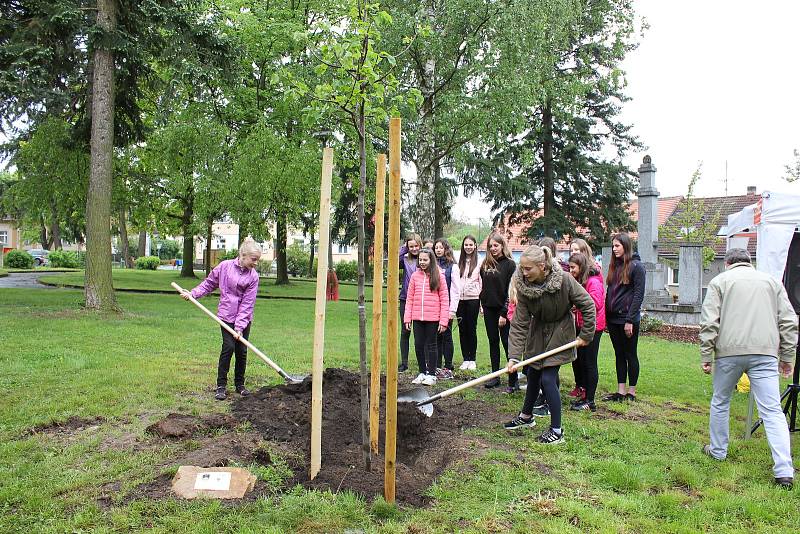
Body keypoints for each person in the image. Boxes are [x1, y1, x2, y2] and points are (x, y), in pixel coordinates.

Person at [699, 248, 797, 489]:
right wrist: (788, 355)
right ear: (749, 262)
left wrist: (706, 353)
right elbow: (788, 320)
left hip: (728, 352)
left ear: (727, 263)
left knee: (720, 401)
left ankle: (718, 450)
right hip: (765, 352)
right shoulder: (772, 282)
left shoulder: (719, 281)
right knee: (772, 411)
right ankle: (784, 469)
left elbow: (710, 320)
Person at [503, 245, 596, 444]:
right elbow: (519, 324)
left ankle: (557, 430)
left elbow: (587, 304)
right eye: (522, 268)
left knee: (547, 378)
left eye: (528, 269)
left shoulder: (565, 280)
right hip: (538, 334)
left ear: (542, 266)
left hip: (560, 333)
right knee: (533, 373)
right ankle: (526, 417)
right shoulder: (525, 288)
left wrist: (586, 335)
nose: (524, 272)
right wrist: (513, 357)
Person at [180, 239, 263, 400]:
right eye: (254, 259)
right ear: (243, 255)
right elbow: (209, 284)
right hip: (226, 316)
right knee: (228, 347)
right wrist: (193, 294)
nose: (256, 263)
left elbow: (247, 304)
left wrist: (239, 327)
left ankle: (240, 385)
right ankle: (221, 386)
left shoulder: (253, 277)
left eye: (257, 259)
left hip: (244, 319)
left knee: (241, 350)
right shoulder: (225, 267)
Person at [603, 233, 645, 402]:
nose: (614, 249)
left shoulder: (636, 266)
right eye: (613, 246)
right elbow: (610, 292)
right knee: (619, 354)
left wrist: (630, 320)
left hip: (628, 319)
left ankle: (631, 392)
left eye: (617, 246)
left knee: (630, 354)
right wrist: (606, 316)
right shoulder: (615, 266)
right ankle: (620, 391)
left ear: (626, 246)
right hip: (613, 319)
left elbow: (638, 295)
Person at [403, 248, 450, 386]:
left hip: (433, 318)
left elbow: (444, 299)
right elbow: (409, 298)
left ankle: (431, 374)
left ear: (431, 260)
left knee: (432, 345)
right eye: (421, 260)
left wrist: (443, 320)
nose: (422, 262)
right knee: (418, 345)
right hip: (417, 317)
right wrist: (407, 318)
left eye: (425, 260)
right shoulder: (414, 277)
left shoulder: (439, 276)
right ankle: (422, 372)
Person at [568, 252, 606, 412]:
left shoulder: (593, 282)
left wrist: (577, 304)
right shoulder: (581, 281)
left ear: (581, 267)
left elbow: (595, 304)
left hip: (593, 328)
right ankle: (585, 396)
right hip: (582, 326)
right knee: (582, 361)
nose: (571, 271)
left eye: (573, 267)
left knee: (590, 362)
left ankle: (590, 401)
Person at [480, 232, 517, 391]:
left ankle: (513, 380)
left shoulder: (510, 265)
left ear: (502, 246)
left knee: (507, 345)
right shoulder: (486, 264)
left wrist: (503, 313)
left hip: (504, 311)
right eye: (491, 246)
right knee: (493, 342)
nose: (493, 248)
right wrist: (482, 303)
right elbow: (483, 287)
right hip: (488, 308)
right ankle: (494, 376)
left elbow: (511, 291)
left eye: (496, 245)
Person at [452, 235, 483, 371]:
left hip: (473, 299)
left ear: (475, 246)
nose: (468, 247)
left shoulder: (480, 262)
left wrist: (481, 304)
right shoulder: (459, 261)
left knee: (472, 328)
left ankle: (472, 359)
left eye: (471, 245)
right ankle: (465, 358)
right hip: (460, 300)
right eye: (466, 245)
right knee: (462, 329)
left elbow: (482, 283)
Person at [398, 234, 422, 372]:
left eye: (415, 246)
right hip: (405, 298)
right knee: (405, 330)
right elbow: (395, 262)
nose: (413, 249)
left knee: (420, 333)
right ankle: (404, 362)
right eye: (410, 246)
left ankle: (422, 362)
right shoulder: (405, 259)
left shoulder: (425, 259)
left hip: (421, 299)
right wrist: (403, 248)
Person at [434, 238, 457, 379]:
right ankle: (436, 366)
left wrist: (452, 310)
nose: (438, 250)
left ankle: (448, 366)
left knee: (447, 336)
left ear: (446, 249)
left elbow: (455, 290)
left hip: (447, 306)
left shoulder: (452, 266)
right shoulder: (432, 265)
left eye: (440, 247)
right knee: (436, 337)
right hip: (434, 307)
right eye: (436, 248)